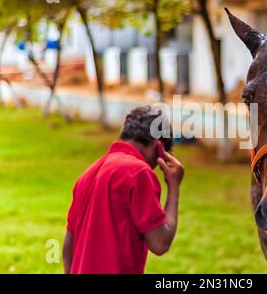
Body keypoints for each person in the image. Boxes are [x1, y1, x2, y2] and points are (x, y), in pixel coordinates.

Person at [62, 107, 184, 274]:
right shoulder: (139, 173)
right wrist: (174, 187)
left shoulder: (87, 175)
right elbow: (160, 243)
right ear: (159, 146)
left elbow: (68, 245)